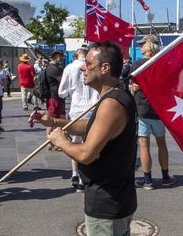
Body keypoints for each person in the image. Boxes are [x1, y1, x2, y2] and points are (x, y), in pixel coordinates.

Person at [35, 42, 137, 236]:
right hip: (117, 197)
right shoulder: (116, 96)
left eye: (89, 63)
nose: (83, 67)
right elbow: (93, 127)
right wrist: (55, 122)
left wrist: (61, 141)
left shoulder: (112, 103)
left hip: (107, 201)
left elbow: (87, 154)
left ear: (105, 68)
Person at [130, 34, 176, 189]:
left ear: (146, 46)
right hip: (158, 110)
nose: (141, 47)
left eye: (142, 44)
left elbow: (131, 83)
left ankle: (148, 180)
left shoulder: (137, 65)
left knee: (143, 144)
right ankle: (165, 176)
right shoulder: (163, 64)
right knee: (161, 143)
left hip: (142, 108)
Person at [58, 48, 100, 192]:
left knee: (75, 144)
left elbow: (61, 92)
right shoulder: (93, 66)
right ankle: (84, 176)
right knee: (89, 144)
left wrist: (73, 90)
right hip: (91, 108)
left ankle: (75, 174)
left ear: (76, 55)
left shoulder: (69, 68)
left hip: (76, 109)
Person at [45, 50, 66, 151]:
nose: (61, 58)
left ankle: (56, 142)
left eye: (62, 56)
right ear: (55, 57)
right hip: (54, 96)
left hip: (58, 96)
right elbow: (61, 80)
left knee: (61, 119)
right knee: (52, 119)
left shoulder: (56, 67)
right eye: (60, 56)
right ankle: (49, 142)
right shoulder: (52, 68)